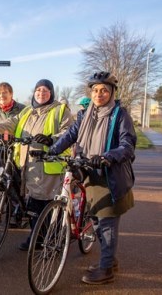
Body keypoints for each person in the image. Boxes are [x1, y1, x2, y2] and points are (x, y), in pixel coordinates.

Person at [48, 71, 136, 285]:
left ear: (112, 92)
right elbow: (71, 135)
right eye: (95, 90)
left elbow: (127, 145)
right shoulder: (87, 113)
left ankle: (106, 270)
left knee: (106, 223)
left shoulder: (119, 114)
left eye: (104, 90)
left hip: (110, 176)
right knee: (96, 219)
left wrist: (107, 156)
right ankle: (109, 260)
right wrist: (51, 150)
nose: (99, 94)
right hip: (89, 173)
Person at [0, 79, 74, 250]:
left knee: (47, 203)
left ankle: (52, 237)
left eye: (45, 90)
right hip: (27, 164)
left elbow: (68, 132)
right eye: (38, 90)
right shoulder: (27, 111)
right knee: (33, 203)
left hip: (49, 165)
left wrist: (51, 139)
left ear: (51, 93)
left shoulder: (60, 110)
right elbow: (11, 123)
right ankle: (38, 237)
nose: (41, 93)